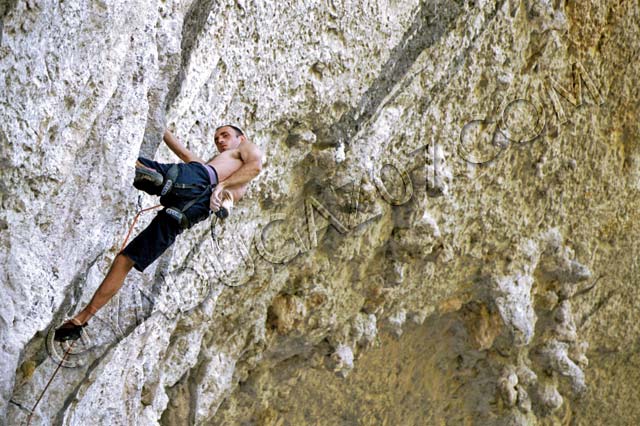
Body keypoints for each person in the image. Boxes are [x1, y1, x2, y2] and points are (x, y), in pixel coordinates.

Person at [54, 125, 262, 341]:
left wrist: (221, 187)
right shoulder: (227, 169)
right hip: (190, 211)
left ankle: (160, 180)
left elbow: (256, 165)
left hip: (197, 182)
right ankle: (81, 320)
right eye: (216, 137)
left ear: (241, 138)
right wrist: (160, 126)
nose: (219, 140)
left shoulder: (245, 149)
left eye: (225, 135)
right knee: (125, 260)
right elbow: (184, 154)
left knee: (128, 159)